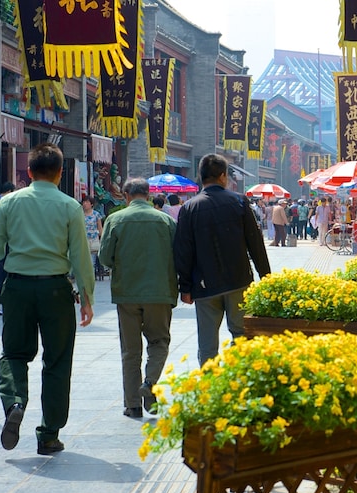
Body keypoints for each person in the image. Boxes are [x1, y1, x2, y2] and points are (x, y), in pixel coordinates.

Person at [0, 142, 95, 456]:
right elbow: (81, 257)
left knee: (14, 354)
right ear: (60, 174)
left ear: (28, 172)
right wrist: (86, 296)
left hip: (16, 288)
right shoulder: (70, 206)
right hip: (56, 289)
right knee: (56, 361)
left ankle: (15, 401)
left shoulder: (9, 203)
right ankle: (48, 435)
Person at [173, 154, 271, 365]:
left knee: (207, 344)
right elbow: (255, 243)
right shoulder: (239, 201)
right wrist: (266, 277)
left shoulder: (189, 209)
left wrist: (185, 287)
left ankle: (211, 389)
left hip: (205, 285)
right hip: (238, 281)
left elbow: (183, 250)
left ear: (202, 177)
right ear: (223, 176)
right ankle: (241, 380)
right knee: (242, 335)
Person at [99, 178, 177, 418]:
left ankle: (132, 404)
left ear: (126, 195)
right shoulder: (166, 221)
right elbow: (180, 256)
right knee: (159, 342)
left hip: (127, 293)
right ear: (149, 194)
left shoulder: (115, 220)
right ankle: (150, 382)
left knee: (130, 350)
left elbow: (104, 259)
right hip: (160, 292)